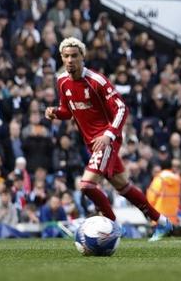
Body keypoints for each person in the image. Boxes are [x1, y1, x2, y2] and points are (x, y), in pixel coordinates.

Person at [45, 37, 173, 241]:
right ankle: (162, 222)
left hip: (107, 139)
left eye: (74, 56)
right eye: (66, 56)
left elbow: (122, 108)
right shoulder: (62, 81)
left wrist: (109, 134)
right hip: (92, 143)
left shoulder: (97, 81)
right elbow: (67, 111)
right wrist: (55, 113)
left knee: (86, 185)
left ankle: (114, 226)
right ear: (61, 57)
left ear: (82, 57)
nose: (70, 60)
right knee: (124, 187)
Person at [147, 158, 181, 225]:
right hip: (173, 219)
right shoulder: (177, 180)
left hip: (159, 218)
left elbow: (150, 199)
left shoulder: (159, 179)